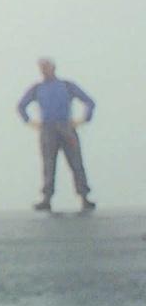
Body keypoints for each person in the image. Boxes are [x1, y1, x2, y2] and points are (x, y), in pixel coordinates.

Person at [17, 57, 96, 213]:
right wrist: (30, 121)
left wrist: (84, 119)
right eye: (42, 68)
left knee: (76, 163)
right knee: (48, 164)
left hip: (66, 127)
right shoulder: (37, 88)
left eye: (46, 67)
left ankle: (84, 197)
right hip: (47, 129)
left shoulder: (66, 86)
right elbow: (21, 106)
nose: (44, 70)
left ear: (53, 68)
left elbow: (89, 102)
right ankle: (47, 199)